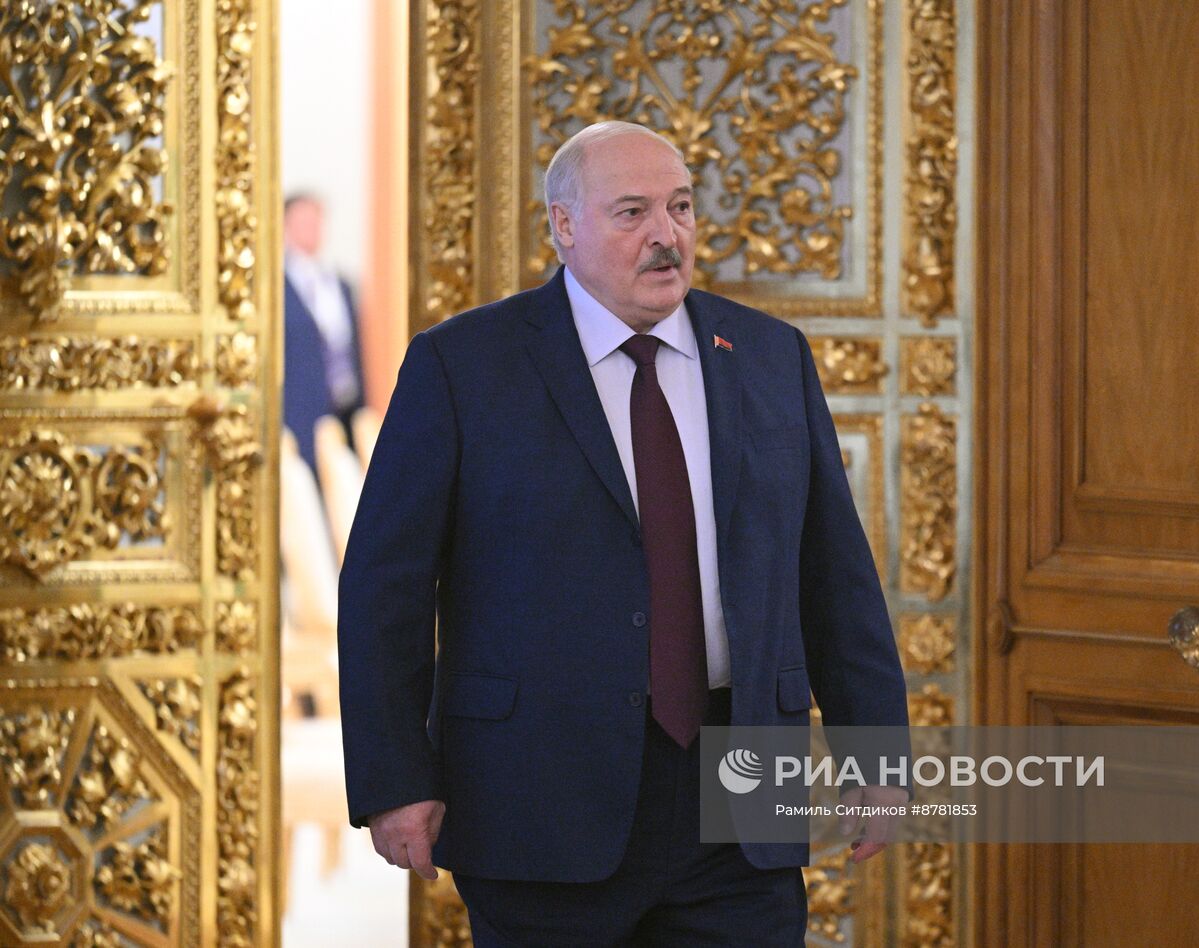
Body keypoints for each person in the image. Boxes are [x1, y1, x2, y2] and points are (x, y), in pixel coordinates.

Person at [338, 121, 909, 946]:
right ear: (564, 226)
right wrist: (395, 778)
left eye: (680, 208)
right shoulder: (464, 365)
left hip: (739, 798)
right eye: (633, 213)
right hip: (540, 800)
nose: (665, 235)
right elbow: (384, 587)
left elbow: (833, 574)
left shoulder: (768, 355)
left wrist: (877, 758)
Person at [283, 193, 366, 472]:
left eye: (316, 221)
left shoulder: (340, 284)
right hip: (301, 415)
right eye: (303, 222)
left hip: (344, 409)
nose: (312, 229)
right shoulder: (278, 287)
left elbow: (353, 351)